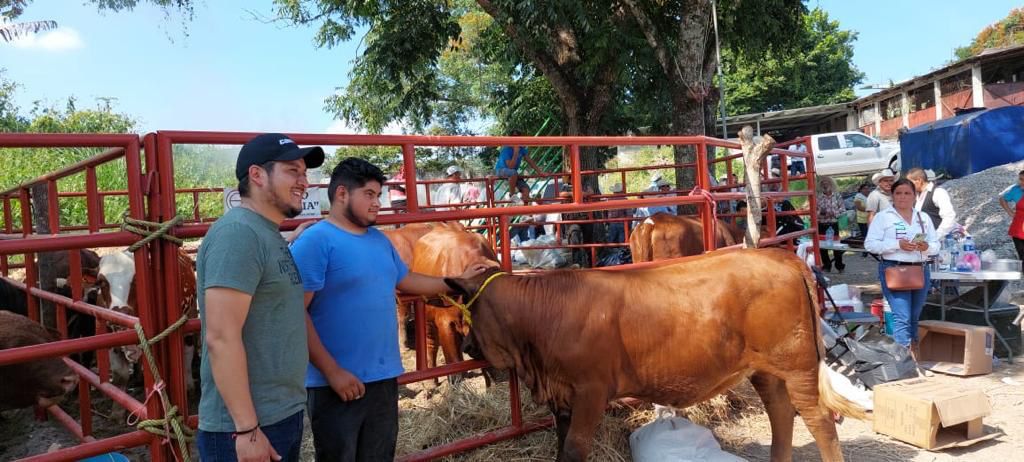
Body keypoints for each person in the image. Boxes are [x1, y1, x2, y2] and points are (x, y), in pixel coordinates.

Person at [289, 157, 492, 461]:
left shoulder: (378, 241)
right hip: (337, 384)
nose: (377, 204)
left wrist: (457, 281)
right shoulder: (316, 242)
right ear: (342, 194)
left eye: (379, 195)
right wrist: (333, 373)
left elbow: (408, 279)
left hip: (383, 379)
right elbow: (294, 312)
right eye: (369, 195)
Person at [196, 133, 325, 462]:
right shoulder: (238, 234)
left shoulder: (265, 233)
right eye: (292, 171)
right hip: (248, 427)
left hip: (277, 414)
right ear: (257, 175)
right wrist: (247, 429)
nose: (303, 182)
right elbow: (221, 337)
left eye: (304, 173)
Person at [865, 178, 939, 356]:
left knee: (914, 316)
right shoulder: (883, 217)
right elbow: (870, 245)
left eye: (907, 193)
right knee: (902, 317)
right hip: (894, 269)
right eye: (898, 193)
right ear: (892, 195)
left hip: (919, 269)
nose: (903, 197)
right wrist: (897, 244)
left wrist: (926, 247)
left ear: (915, 196)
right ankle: (903, 359)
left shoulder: (923, 217)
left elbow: (936, 245)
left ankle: (914, 356)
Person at [906, 167, 957, 239]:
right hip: (923, 240)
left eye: (910, 183)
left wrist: (936, 236)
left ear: (919, 180)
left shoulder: (938, 192)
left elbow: (949, 217)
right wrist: (916, 242)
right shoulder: (915, 196)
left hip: (941, 241)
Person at [495, 131, 542, 204]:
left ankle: (525, 212)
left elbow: (530, 161)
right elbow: (510, 166)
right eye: (513, 137)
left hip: (513, 173)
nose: (515, 139)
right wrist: (516, 152)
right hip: (501, 170)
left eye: (517, 137)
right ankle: (512, 195)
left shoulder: (522, 149)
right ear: (510, 139)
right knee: (513, 173)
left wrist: (540, 172)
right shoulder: (506, 149)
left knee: (526, 190)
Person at [816, 176, 846, 273]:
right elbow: (814, 211)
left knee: (836, 246)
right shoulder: (818, 197)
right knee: (823, 247)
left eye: (827, 183)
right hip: (822, 224)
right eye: (823, 183)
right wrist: (822, 214)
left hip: (833, 223)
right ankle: (827, 266)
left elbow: (843, 210)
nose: (825, 185)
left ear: (831, 184)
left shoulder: (837, 196)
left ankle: (839, 266)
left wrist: (834, 213)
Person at [999, 170, 1024, 261]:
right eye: (1020, 179)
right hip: (1018, 228)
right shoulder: (1016, 190)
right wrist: (1010, 212)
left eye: (1023, 180)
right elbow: (1002, 199)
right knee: (1022, 256)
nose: (1021, 182)